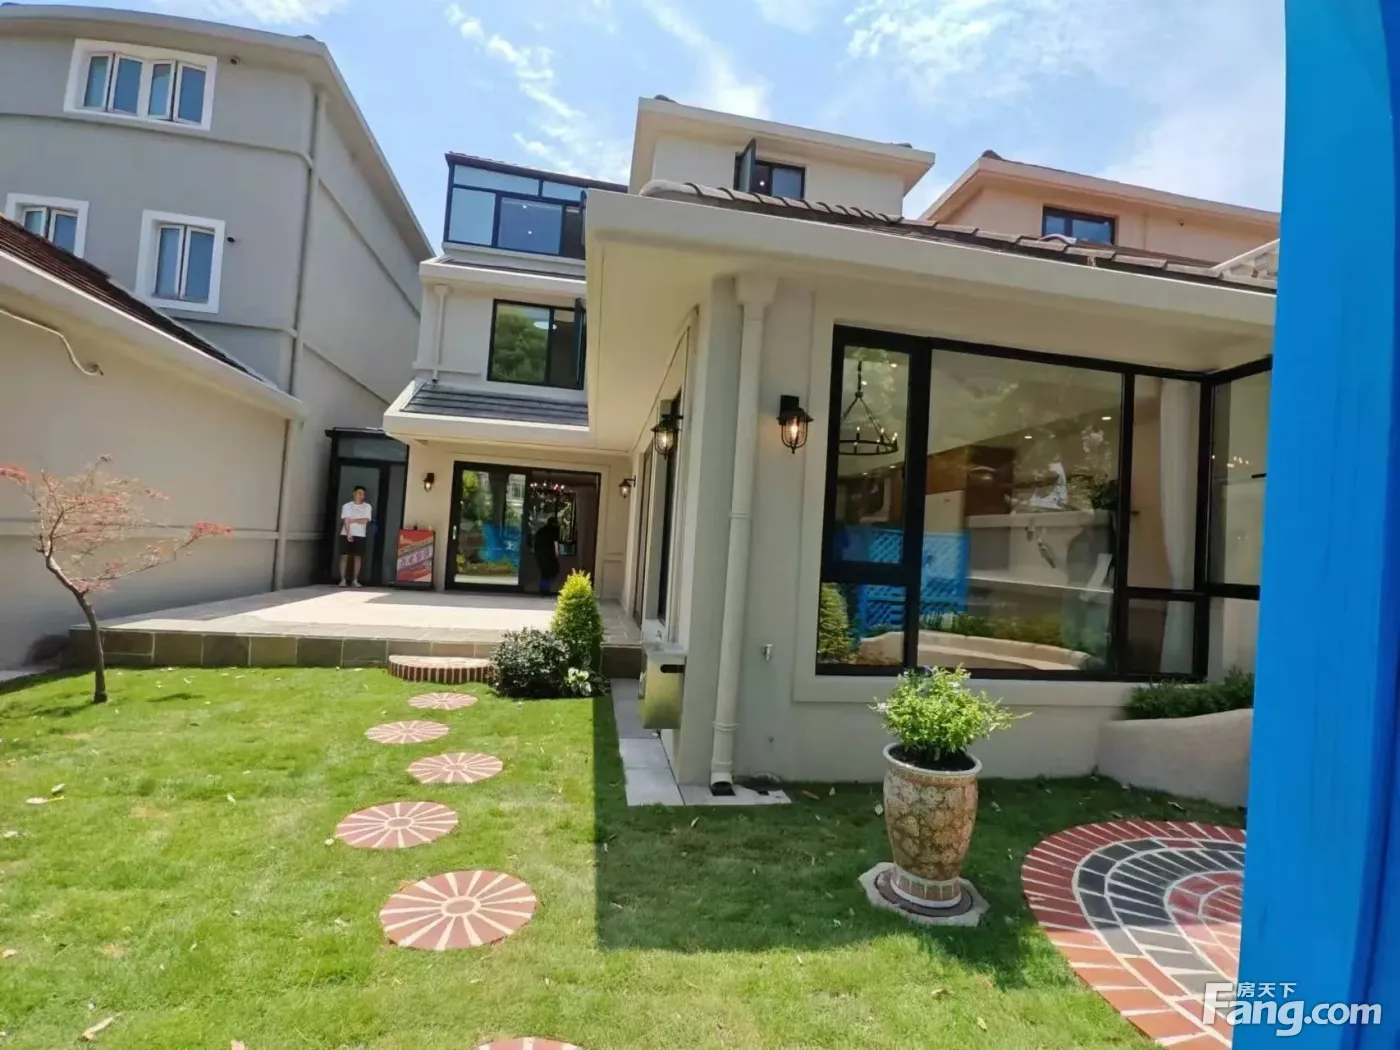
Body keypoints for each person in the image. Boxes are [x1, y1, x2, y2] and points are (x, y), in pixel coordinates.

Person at [339, 486, 373, 587]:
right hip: (345, 533)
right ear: (354, 494)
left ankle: (355, 580)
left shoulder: (367, 506)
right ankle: (343, 580)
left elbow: (365, 521)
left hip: (360, 534)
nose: (361, 495)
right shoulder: (347, 506)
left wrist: (353, 520)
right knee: (344, 556)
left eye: (363, 494)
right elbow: (346, 520)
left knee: (358, 557)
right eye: (359, 493)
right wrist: (348, 533)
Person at [533, 514, 561, 595]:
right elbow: (555, 542)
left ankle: (544, 588)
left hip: (540, 555)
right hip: (549, 555)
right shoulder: (554, 530)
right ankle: (544, 589)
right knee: (550, 572)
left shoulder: (541, 531)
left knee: (544, 572)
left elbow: (536, 544)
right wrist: (556, 553)